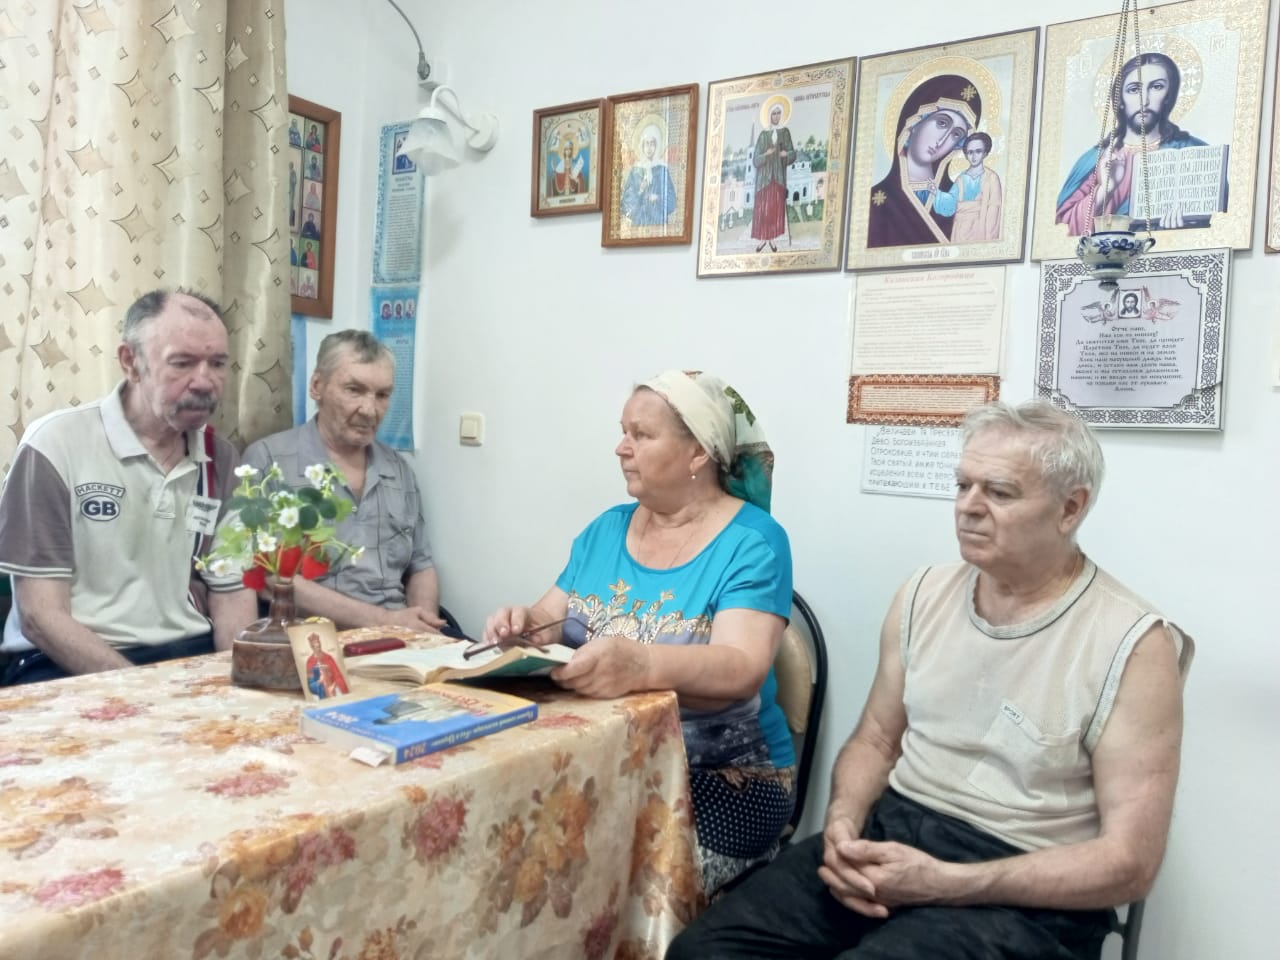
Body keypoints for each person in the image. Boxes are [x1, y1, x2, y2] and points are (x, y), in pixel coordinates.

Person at [667, 399, 1194, 960]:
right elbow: (875, 740)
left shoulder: (1134, 642)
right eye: (963, 485)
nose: (968, 507)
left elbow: (1130, 863)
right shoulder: (924, 594)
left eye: (999, 492)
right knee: (703, 951)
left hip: (1026, 886)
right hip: (893, 834)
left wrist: (944, 883)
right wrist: (842, 826)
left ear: (1070, 508)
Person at [484, 370, 795, 895]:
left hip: (723, 778)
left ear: (698, 452)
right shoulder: (607, 528)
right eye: (622, 432)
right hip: (600, 757)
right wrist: (522, 626)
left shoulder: (754, 542)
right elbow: (547, 619)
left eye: (641, 435)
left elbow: (742, 666)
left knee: (592, 878)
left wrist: (641, 665)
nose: (621, 448)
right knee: (507, 843)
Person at [0, 289, 258, 684]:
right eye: (182, 363)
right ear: (130, 362)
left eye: (218, 363)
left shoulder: (221, 458)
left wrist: (236, 684)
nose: (205, 381)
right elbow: (40, 616)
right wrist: (143, 692)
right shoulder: (55, 445)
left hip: (187, 655)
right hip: (63, 663)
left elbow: (232, 593)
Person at [238, 330, 447, 633]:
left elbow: (421, 565)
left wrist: (425, 632)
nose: (370, 410)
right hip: (314, 637)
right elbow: (267, 577)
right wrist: (384, 621)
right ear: (317, 386)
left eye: (382, 395)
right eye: (354, 390)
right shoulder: (268, 461)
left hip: (399, 635)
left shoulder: (399, 471)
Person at [1056, 52, 1208, 236]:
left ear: (1169, 95)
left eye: (1157, 87)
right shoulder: (1095, 160)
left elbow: (1213, 220)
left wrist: (1185, 227)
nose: (1145, 100)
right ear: (1120, 99)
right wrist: (1105, 190)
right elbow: (1063, 231)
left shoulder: (1192, 152)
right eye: (1134, 89)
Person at [867, 74, 980, 248]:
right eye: (942, 123)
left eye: (956, 134)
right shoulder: (876, 200)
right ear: (914, 122)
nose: (942, 141)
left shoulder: (958, 199)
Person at [751, 97, 795, 253]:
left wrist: (786, 154)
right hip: (764, 180)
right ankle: (764, 239)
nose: (776, 116)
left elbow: (792, 153)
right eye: (773, 113)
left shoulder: (785, 132)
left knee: (774, 210)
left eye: (778, 113)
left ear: (781, 115)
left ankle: (772, 239)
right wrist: (766, 154)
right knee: (764, 210)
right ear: (769, 115)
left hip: (778, 178)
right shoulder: (763, 135)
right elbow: (755, 160)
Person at [947, 132, 1003, 242]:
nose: (974, 156)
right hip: (959, 229)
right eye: (970, 152)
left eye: (978, 151)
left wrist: (989, 237)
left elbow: (994, 208)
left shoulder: (992, 178)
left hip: (981, 228)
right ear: (965, 155)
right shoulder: (960, 179)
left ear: (985, 153)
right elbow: (950, 202)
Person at [620, 124, 678, 227]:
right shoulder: (635, 171)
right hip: (639, 223)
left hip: (658, 222)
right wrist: (640, 190)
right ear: (642, 146)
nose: (649, 148)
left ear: (656, 146)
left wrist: (657, 198)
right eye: (646, 144)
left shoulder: (662, 170)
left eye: (652, 144)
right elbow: (626, 203)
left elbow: (672, 200)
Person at [304, 632, 348, 699]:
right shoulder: (310, 661)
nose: (317, 645)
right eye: (314, 644)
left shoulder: (328, 658)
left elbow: (338, 676)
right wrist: (319, 682)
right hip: (321, 691)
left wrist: (334, 686)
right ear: (311, 646)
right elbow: (311, 684)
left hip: (334, 689)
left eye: (318, 643)